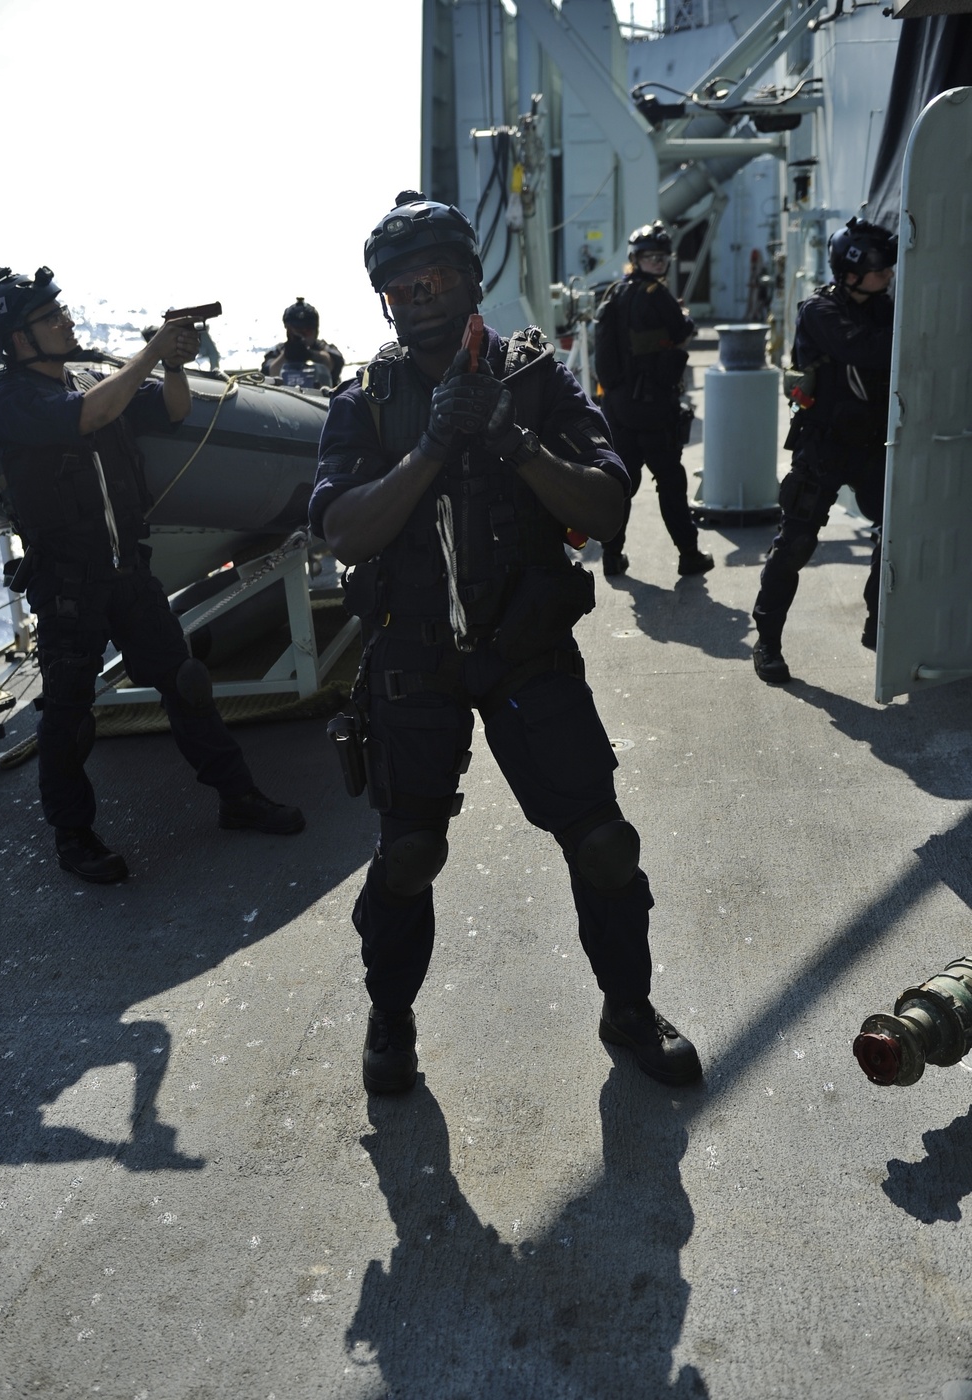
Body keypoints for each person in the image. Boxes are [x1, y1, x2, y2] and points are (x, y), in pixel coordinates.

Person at [310, 191, 701, 1094]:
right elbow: (346, 533)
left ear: (471, 278)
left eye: (436, 276)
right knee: (408, 855)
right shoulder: (364, 401)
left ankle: (629, 1008)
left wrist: (514, 439)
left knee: (603, 842)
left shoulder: (536, 379)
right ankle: (390, 1018)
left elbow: (606, 510)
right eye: (400, 288)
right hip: (413, 660)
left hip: (527, 650)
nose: (420, 297)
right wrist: (432, 448)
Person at [0, 267, 305, 885]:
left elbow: (171, 410)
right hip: (69, 584)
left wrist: (174, 363)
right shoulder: (10, 398)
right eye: (51, 317)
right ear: (19, 341)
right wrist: (150, 349)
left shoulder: (89, 378)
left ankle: (238, 797)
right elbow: (85, 416)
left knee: (185, 683)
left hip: (128, 570)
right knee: (69, 717)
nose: (66, 321)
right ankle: (73, 836)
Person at [751, 217, 896, 683]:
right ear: (851, 273)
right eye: (879, 268)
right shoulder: (820, 311)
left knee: (897, 533)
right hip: (825, 445)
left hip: (873, 445)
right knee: (795, 543)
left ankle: (881, 622)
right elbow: (869, 352)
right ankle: (767, 640)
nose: (889, 275)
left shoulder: (885, 308)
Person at [593, 222, 713, 579]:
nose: (658, 262)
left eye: (662, 257)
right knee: (671, 484)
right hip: (652, 408)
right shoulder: (656, 294)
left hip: (617, 407)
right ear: (637, 259)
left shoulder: (615, 292)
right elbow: (681, 331)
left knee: (623, 484)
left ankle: (612, 557)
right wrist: (685, 317)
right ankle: (689, 554)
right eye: (651, 257)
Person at [261, 298, 344, 389]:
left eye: (306, 331)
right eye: (295, 331)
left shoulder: (324, 348)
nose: (301, 336)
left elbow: (333, 362)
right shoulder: (278, 352)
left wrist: (309, 354)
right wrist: (287, 354)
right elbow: (269, 371)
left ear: (315, 331)